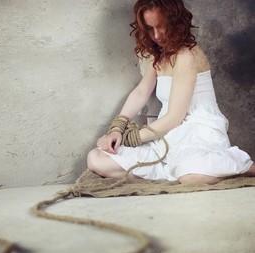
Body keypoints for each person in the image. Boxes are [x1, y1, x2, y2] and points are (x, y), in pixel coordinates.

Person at [87, 0, 255, 184]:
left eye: (161, 27)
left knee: (192, 175)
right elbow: (141, 92)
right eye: (150, 29)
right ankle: (171, 170)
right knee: (96, 159)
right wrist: (117, 128)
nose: (157, 36)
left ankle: (244, 166)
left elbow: (175, 117)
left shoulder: (187, 56)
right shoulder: (160, 54)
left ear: (175, 22)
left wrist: (129, 138)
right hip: (165, 134)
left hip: (197, 132)